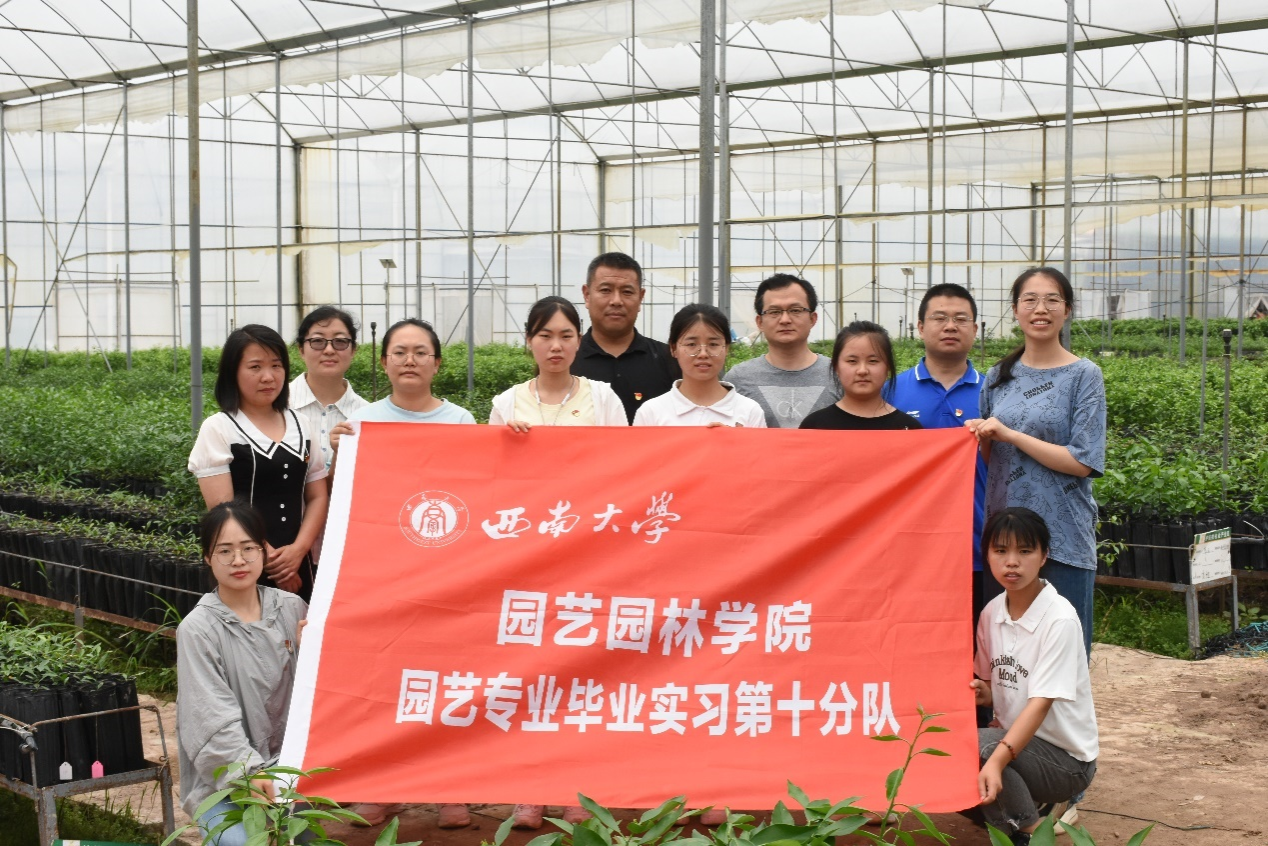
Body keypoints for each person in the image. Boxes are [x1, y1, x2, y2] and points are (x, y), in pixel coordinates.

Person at [328, 318, 475, 830]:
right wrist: (340, 452)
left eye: (420, 352)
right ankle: (383, 788)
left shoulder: (461, 421)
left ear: (437, 363)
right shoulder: (362, 423)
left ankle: (450, 788)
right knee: (387, 680)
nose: (410, 360)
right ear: (384, 362)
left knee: (448, 680)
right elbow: (347, 501)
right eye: (399, 352)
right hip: (384, 572)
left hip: (448, 572)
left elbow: (478, 490)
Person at [966, 267, 1105, 659]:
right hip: (1006, 538)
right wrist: (983, 437)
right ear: (1015, 310)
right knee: (1005, 655)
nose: (1040, 309)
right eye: (1030, 300)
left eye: (1051, 300)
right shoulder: (998, 376)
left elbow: (1083, 461)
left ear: (1067, 310)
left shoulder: (1084, 375)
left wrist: (1011, 434)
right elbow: (994, 459)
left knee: (1061, 654)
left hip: (1062, 533)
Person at [178, 501, 308, 846]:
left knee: (304, 839)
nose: (238, 560)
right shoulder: (198, 629)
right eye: (225, 551)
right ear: (208, 557)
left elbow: (321, 690)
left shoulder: (291, 608)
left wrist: (314, 652)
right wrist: (249, 773)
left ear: (263, 551)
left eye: (248, 548)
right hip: (223, 778)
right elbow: (209, 717)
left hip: (291, 771)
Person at [972, 507, 1097, 846]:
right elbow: (996, 688)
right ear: (988, 555)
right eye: (1000, 551)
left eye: (1025, 551)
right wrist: (983, 693)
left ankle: (1028, 831)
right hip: (1019, 748)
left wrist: (995, 761)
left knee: (974, 747)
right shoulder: (991, 613)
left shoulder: (1059, 620)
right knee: (954, 755)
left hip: (1066, 762)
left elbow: (1040, 704)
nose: (1012, 562)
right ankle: (1027, 815)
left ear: (1043, 557)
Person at [188, 325, 329, 602]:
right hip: (243, 563)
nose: (268, 376)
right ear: (233, 372)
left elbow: (317, 496)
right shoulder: (219, 428)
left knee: (302, 623)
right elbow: (224, 511)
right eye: (255, 367)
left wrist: (298, 551)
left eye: (276, 365)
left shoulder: (301, 424)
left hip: (299, 562)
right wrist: (276, 564)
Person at [890, 284, 989, 620]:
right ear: (920, 327)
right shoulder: (891, 391)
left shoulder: (995, 392)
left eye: (961, 319)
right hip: (908, 547)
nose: (950, 326)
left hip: (979, 544)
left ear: (975, 329)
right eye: (939, 318)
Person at [490, 295, 628, 431]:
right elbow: (493, 445)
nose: (556, 346)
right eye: (545, 336)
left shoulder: (603, 398)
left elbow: (622, 444)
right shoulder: (506, 404)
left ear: (578, 340)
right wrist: (508, 438)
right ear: (529, 339)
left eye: (566, 336)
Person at [571, 252, 680, 423]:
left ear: (641, 297)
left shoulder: (669, 360)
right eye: (605, 290)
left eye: (627, 292)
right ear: (587, 295)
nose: (616, 301)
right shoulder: (567, 361)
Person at [725, 273, 838, 428]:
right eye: (774, 312)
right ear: (760, 322)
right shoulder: (738, 379)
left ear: (812, 319)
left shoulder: (838, 375)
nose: (785, 320)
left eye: (795, 310)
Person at [633, 303, 765, 428]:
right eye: (691, 344)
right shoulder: (651, 413)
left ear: (726, 348)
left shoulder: (749, 411)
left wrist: (734, 440)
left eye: (713, 344)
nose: (703, 354)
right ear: (673, 348)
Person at [799, 321, 922, 431]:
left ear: (888, 367)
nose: (862, 371)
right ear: (836, 367)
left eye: (873, 361)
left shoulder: (908, 428)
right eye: (852, 361)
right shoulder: (815, 426)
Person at [290, 306, 368, 472]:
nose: (329, 350)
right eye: (318, 341)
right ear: (301, 350)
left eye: (340, 341)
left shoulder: (366, 414)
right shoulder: (278, 405)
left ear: (353, 350)